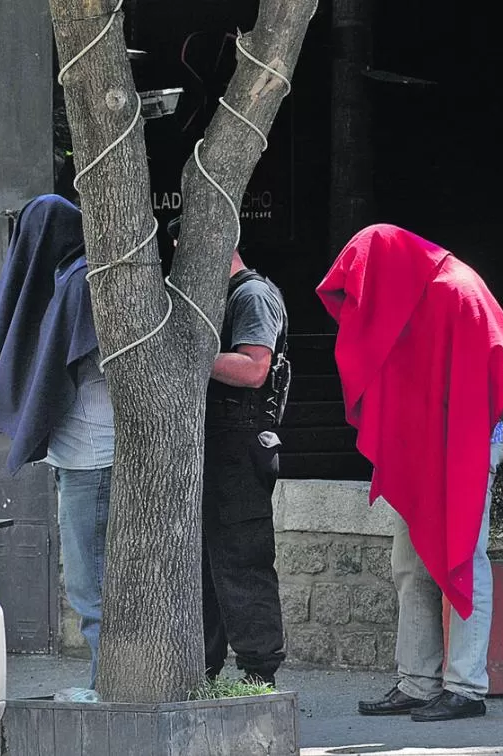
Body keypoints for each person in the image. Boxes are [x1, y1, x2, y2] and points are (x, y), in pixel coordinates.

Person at [317, 224, 503, 722]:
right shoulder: (410, 290)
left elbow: (500, 364)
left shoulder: (454, 287)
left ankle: (467, 687)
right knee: (410, 564)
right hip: (424, 445)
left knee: (464, 558)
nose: (358, 303)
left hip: (466, 444)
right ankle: (417, 680)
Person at [0, 195, 112, 689]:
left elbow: (70, 364)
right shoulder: (74, 277)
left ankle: (105, 689)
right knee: (91, 586)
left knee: (90, 589)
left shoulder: (81, 282)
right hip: (84, 455)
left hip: (91, 460)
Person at [168, 216, 289, 686]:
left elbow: (255, 368)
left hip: (240, 444)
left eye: (185, 249)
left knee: (242, 560)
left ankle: (259, 675)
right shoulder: (225, 297)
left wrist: (187, 352)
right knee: (210, 567)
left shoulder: (251, 296)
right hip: (220, 445)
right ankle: (207, 669)